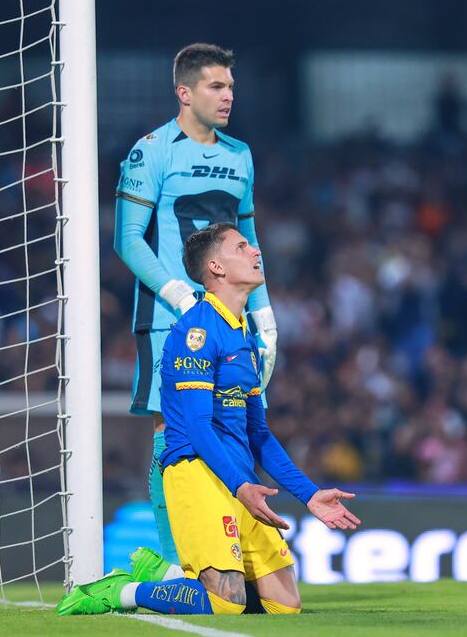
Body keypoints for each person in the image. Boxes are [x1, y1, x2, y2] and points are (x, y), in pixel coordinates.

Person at [59, 223, 359, 616]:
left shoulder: (245, 336)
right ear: (216, 267)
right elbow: (199, 428)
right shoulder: (196, 331)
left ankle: (169, 575)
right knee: (224, 603)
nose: (256, 251)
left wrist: (308, 494)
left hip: (238, 477)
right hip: (195, 470)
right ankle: (121, 591)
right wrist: (240, 486)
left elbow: (259, 434)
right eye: (242, 246)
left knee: (285, 606)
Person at [113, 43, 279, 564]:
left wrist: (266, 314)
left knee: (235, 423)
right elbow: (128, 239)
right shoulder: (151, 151)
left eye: (230, 86)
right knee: (176, 428)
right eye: (216, 85)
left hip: (233, 318)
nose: (228, 95)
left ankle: (229, 558)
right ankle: (177, 561)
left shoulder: (239, 155)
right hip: (171, 318)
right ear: (185, 92)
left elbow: (249, 239)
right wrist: (180, 294)